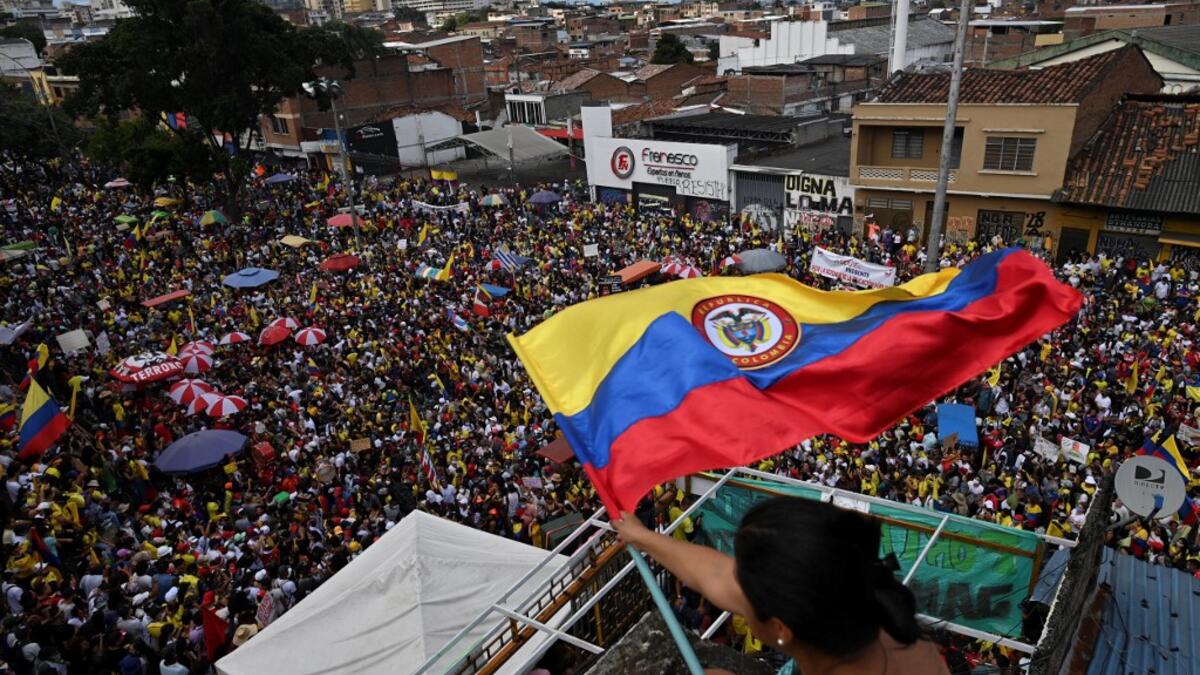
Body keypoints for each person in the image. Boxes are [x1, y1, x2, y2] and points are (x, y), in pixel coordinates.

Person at [613, 497, 949, 675]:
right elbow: (715, 575)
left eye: (744, 583)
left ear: (780, 628)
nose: (734, 581)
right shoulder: (883, 624)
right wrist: (642, 537)